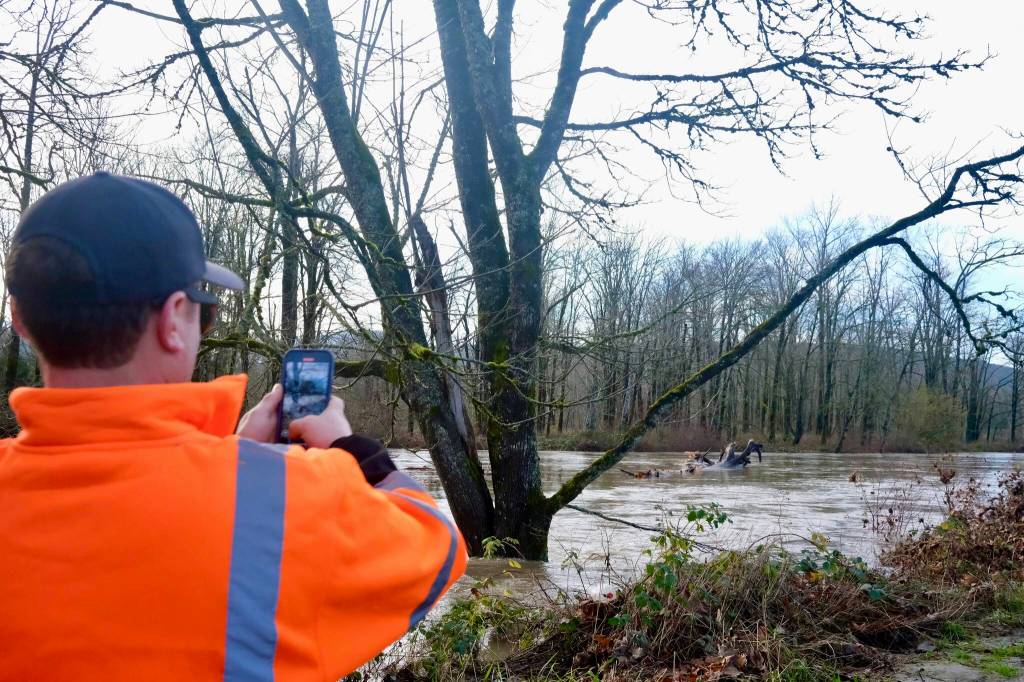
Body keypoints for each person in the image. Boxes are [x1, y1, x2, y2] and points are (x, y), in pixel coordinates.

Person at [0, 172, 466, 681]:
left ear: (19, 318)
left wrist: (230, 451)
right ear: (173, 320)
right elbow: (438, 546)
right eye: (204, 314)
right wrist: (347, 446)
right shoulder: (287, 498)